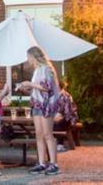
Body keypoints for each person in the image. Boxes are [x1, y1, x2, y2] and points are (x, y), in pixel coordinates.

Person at [16, 46, 61, 175]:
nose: (27, 59)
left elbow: (46, 88)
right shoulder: (37, 71)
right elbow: (37, 88)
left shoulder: (46, 69)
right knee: (39, 134)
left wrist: (30, 84)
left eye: (28, 57)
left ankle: (54, 164)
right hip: (37, 105)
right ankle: (41, 163)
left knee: (48, 134)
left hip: (46, 105)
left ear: (34, 56)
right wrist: (26, 88)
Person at [53, 80, 78, 152]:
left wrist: (59, 117)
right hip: (56, 116)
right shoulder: (53, 95)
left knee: (59, 122)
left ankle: (60, 144)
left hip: (69, 117)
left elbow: (69, 112)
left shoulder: (65, 96)